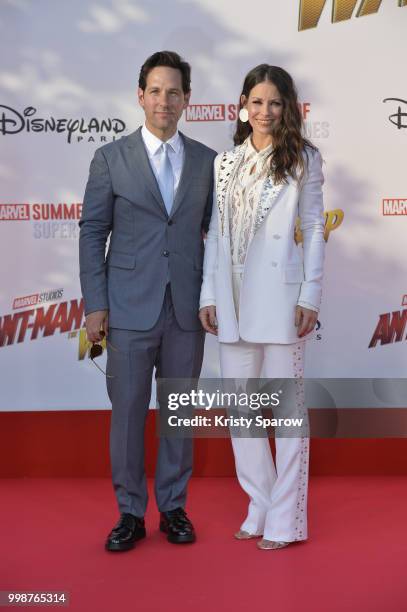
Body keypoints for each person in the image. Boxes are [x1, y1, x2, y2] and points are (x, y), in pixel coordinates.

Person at [79, 51, 216, 551]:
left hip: (186, 308)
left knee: (178, 412)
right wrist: (96, 303)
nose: (164, 100)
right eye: (155, 91)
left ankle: (174, 508)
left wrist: (215, 296)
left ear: (187, 100)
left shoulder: (207, 161)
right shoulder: (110, 158)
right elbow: (93, 232)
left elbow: (216, 237)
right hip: (128, 308)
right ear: (141, 97)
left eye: (173, 91)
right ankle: (130, 513)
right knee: (129, 414)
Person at [199, 64, 325, 550]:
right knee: (242, 413)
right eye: (257, 102)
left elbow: (314, 228)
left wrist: (309, 294)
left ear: (287, 107)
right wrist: (208, 294)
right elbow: (216, 235)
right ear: (243, 105)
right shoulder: (225, 163)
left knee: (288, 415)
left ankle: (285, 522)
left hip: (281, 301)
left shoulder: (303, 159)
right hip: (230, 305)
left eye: (275, 103)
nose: (265, 111)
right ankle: (259, 504)